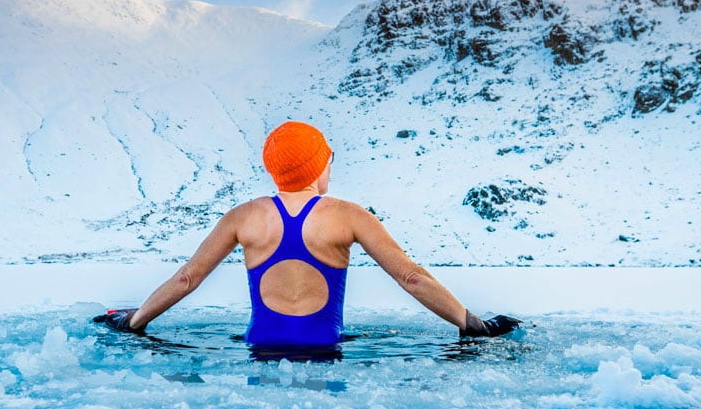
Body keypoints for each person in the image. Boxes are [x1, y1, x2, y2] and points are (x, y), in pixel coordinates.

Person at [96, 121, 520, 344]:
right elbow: (410, 277)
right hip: (325, 350)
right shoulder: (348, 216)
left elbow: (187, 278)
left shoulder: (243, 217)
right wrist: (473, 325)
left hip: (259, 349)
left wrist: (133, 321)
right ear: (319, 166)